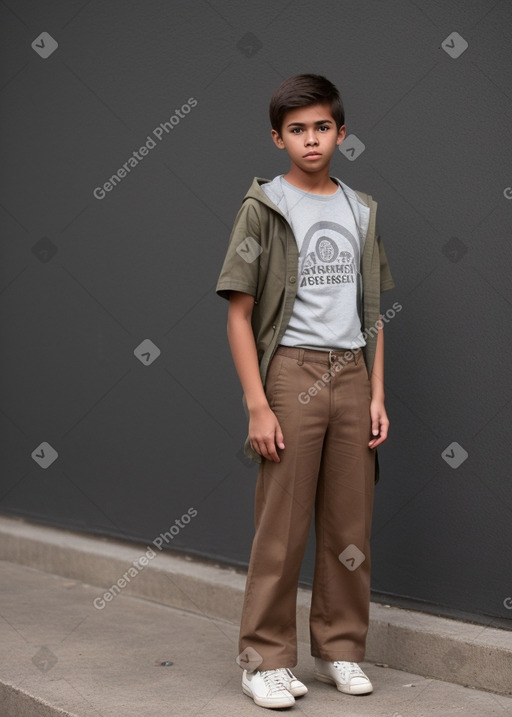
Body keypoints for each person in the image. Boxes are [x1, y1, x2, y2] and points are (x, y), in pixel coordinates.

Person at [216, 74, 395, 710]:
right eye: (297, 130)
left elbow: (373, 310)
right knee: (282, 526)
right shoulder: (264, 206)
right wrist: (257, 403)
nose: (311, 139)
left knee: (351, 526)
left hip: (351, 373)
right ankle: (262, 660)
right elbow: (238, 313)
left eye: (322, 127)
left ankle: (340, 650)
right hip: (291, 374)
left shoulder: (362, 209)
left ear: (342, 134)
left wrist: (376, 391)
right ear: (278, 138)